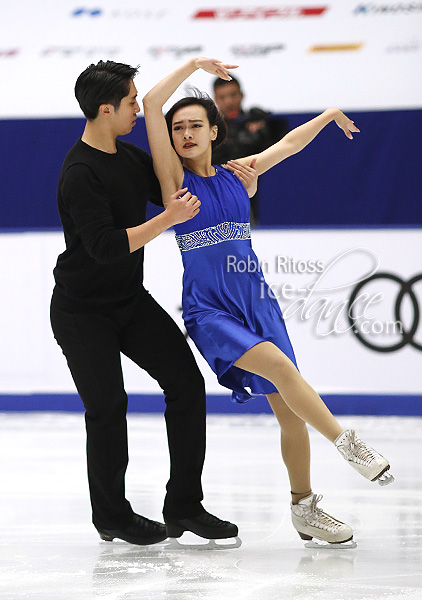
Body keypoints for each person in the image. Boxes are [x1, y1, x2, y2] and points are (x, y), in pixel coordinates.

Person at [142, 57, 394, 546]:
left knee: (289, 411)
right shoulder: (177, 183)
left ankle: (305, 508)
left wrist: (327, 115)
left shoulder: (239, 176)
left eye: (196, 125)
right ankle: (349, 443)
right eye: (179, 128)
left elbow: (289, 145)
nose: (186, 134)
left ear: (215, 130)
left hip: (258, 302)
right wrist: (193, 65)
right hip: (210, 309)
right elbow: (152, 103)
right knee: (280, 367)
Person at [50, 60, 254, 546]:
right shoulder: (80, 173)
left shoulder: (125, 157)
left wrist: (228, 176)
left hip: (128, 301)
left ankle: (184, 504)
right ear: (105, 109)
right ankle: (112, 516)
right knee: (107, 406)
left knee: (186, 383)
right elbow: (106, 246)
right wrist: (167, 219)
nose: (139, 109)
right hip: (82, 311)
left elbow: (174, 183)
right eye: (131, 102)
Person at [212, 76, 289, 224]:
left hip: (251, 202)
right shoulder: (211, 131)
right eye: (222, 97)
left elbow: (283, 141)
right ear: (215, 100)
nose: (229, 102)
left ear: (241, 95)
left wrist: (266, 125)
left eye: (233, 95)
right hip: (216, 201)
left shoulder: (255, 122)